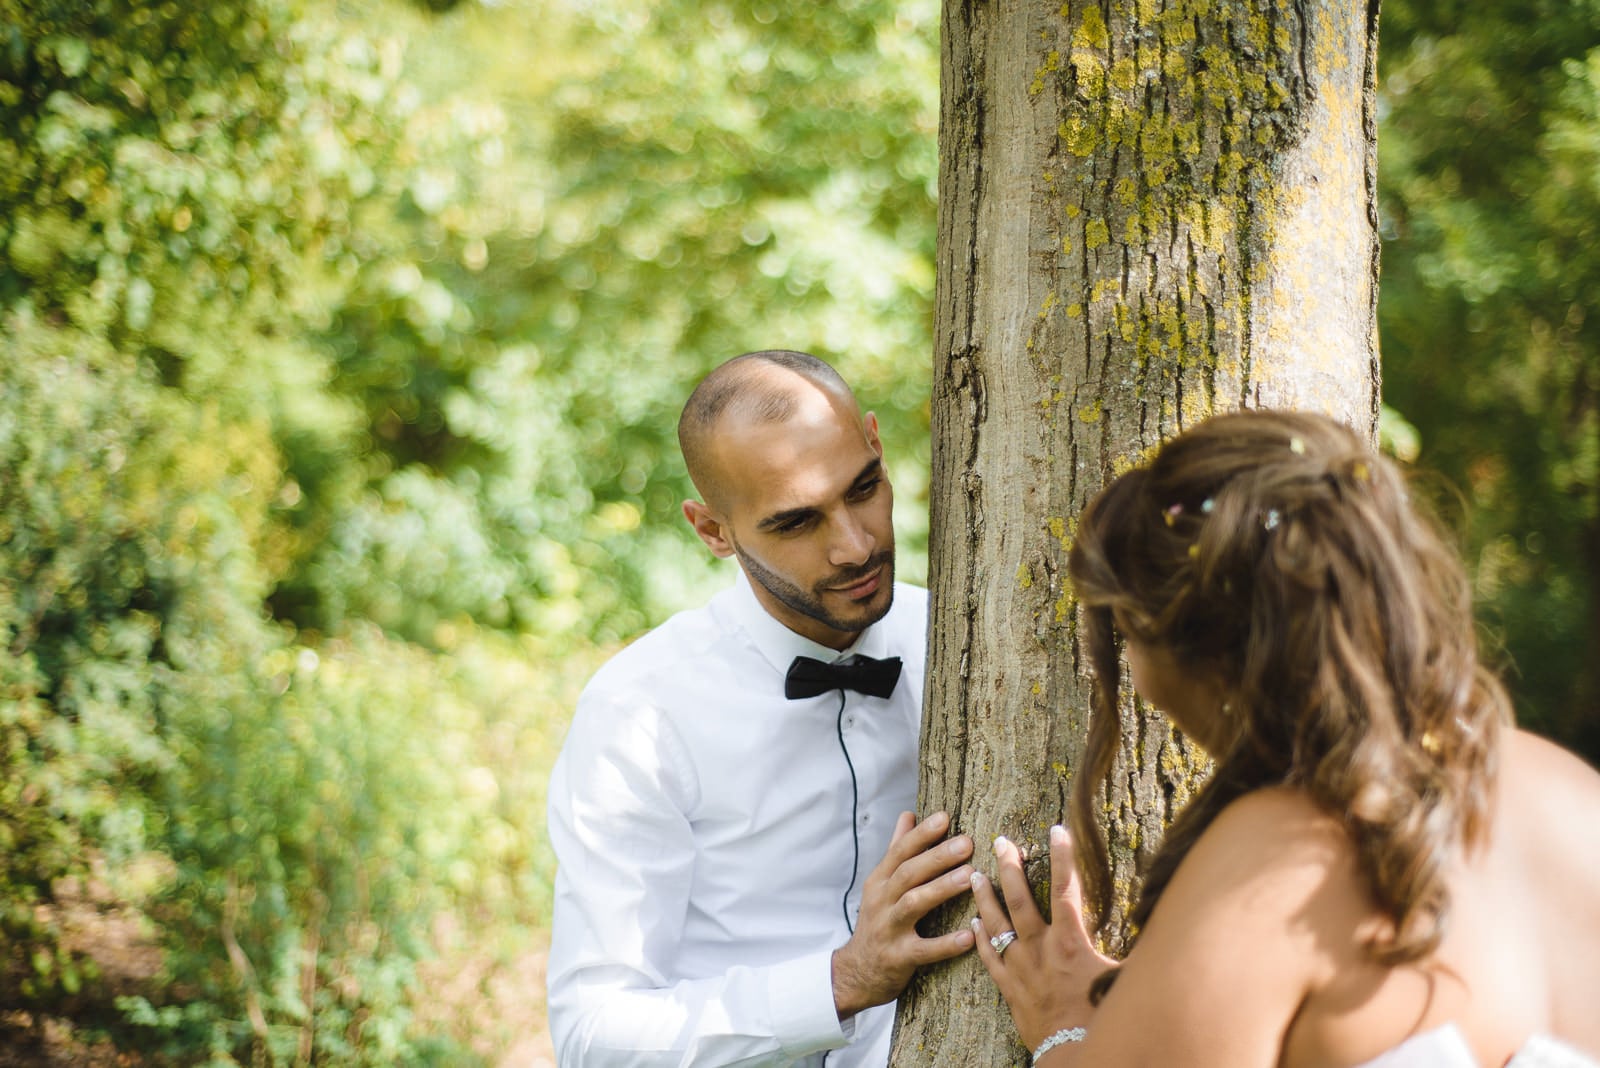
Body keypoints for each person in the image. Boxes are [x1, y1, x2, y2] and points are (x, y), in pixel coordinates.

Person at [968, 409, 1600, 1066]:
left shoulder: (1274, 865)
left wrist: (1066, 1035)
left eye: (1127, 639)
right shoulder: (1574, 795)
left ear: (1194, 651)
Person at [546, 350, 977, 1066]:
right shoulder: (640, 714)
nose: (856, 545)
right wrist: (840, 982)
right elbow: (595, 1037)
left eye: (863, 488)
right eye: (796, 522)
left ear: (874, 441)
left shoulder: (968, 644)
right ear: (712, 530)